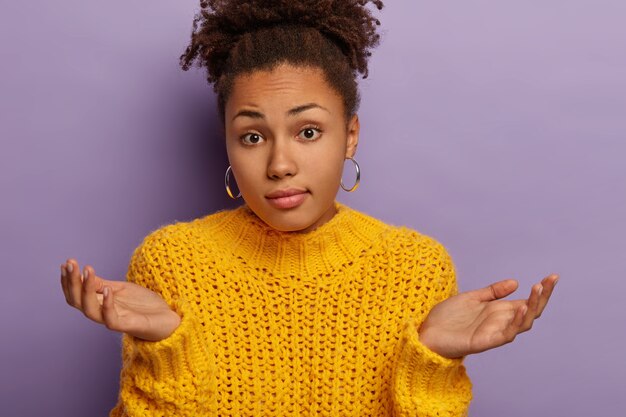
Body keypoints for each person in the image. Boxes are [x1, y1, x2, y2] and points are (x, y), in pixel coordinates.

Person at [59, 1, 559, 416]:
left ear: (351, 136)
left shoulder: (416, 269)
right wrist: (167, 350)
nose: (280, 164)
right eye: (252, 136)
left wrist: (431, 361)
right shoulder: (171, 262)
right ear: (228, 144)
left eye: (308, 132)